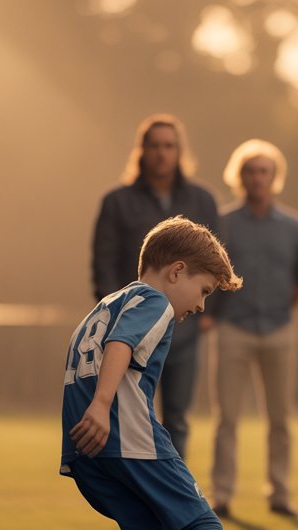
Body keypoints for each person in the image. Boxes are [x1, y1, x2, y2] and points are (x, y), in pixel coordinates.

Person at [60, 216, 262, 530]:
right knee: (203, 523)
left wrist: (92, 416)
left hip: (86, 453)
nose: (200, 304)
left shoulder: (107, 302)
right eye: (205, 289)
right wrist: (104, 405)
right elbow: (120, 345)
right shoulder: (154, 302)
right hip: (124, 434)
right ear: (176, 271)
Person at [92, 115, 219, 458]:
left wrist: (210, 314)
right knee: (129, 414)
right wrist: (117, 312)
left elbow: (216, 262)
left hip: (184, 331)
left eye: (169, 146)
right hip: (132, 330)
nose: (162, 153)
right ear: (142, 151)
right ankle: (135, 490)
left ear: (180, 151)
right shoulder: (117, 201)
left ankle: (175, 494)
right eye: (155, 146)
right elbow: (102, 262)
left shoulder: (202, 200)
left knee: (177, 419)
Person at [204, 139, 298, 518]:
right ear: (240, 177)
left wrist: (285, 311)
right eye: (250, 171)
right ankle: (223, 495)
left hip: (279, 328)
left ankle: (280, 493)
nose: (257, 178)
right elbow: (210, 274)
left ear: (274, 177)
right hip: (234, 328)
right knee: (226, 418)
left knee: (280, 418)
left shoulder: (296, 227)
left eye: (264, 171)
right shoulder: (222, 224)